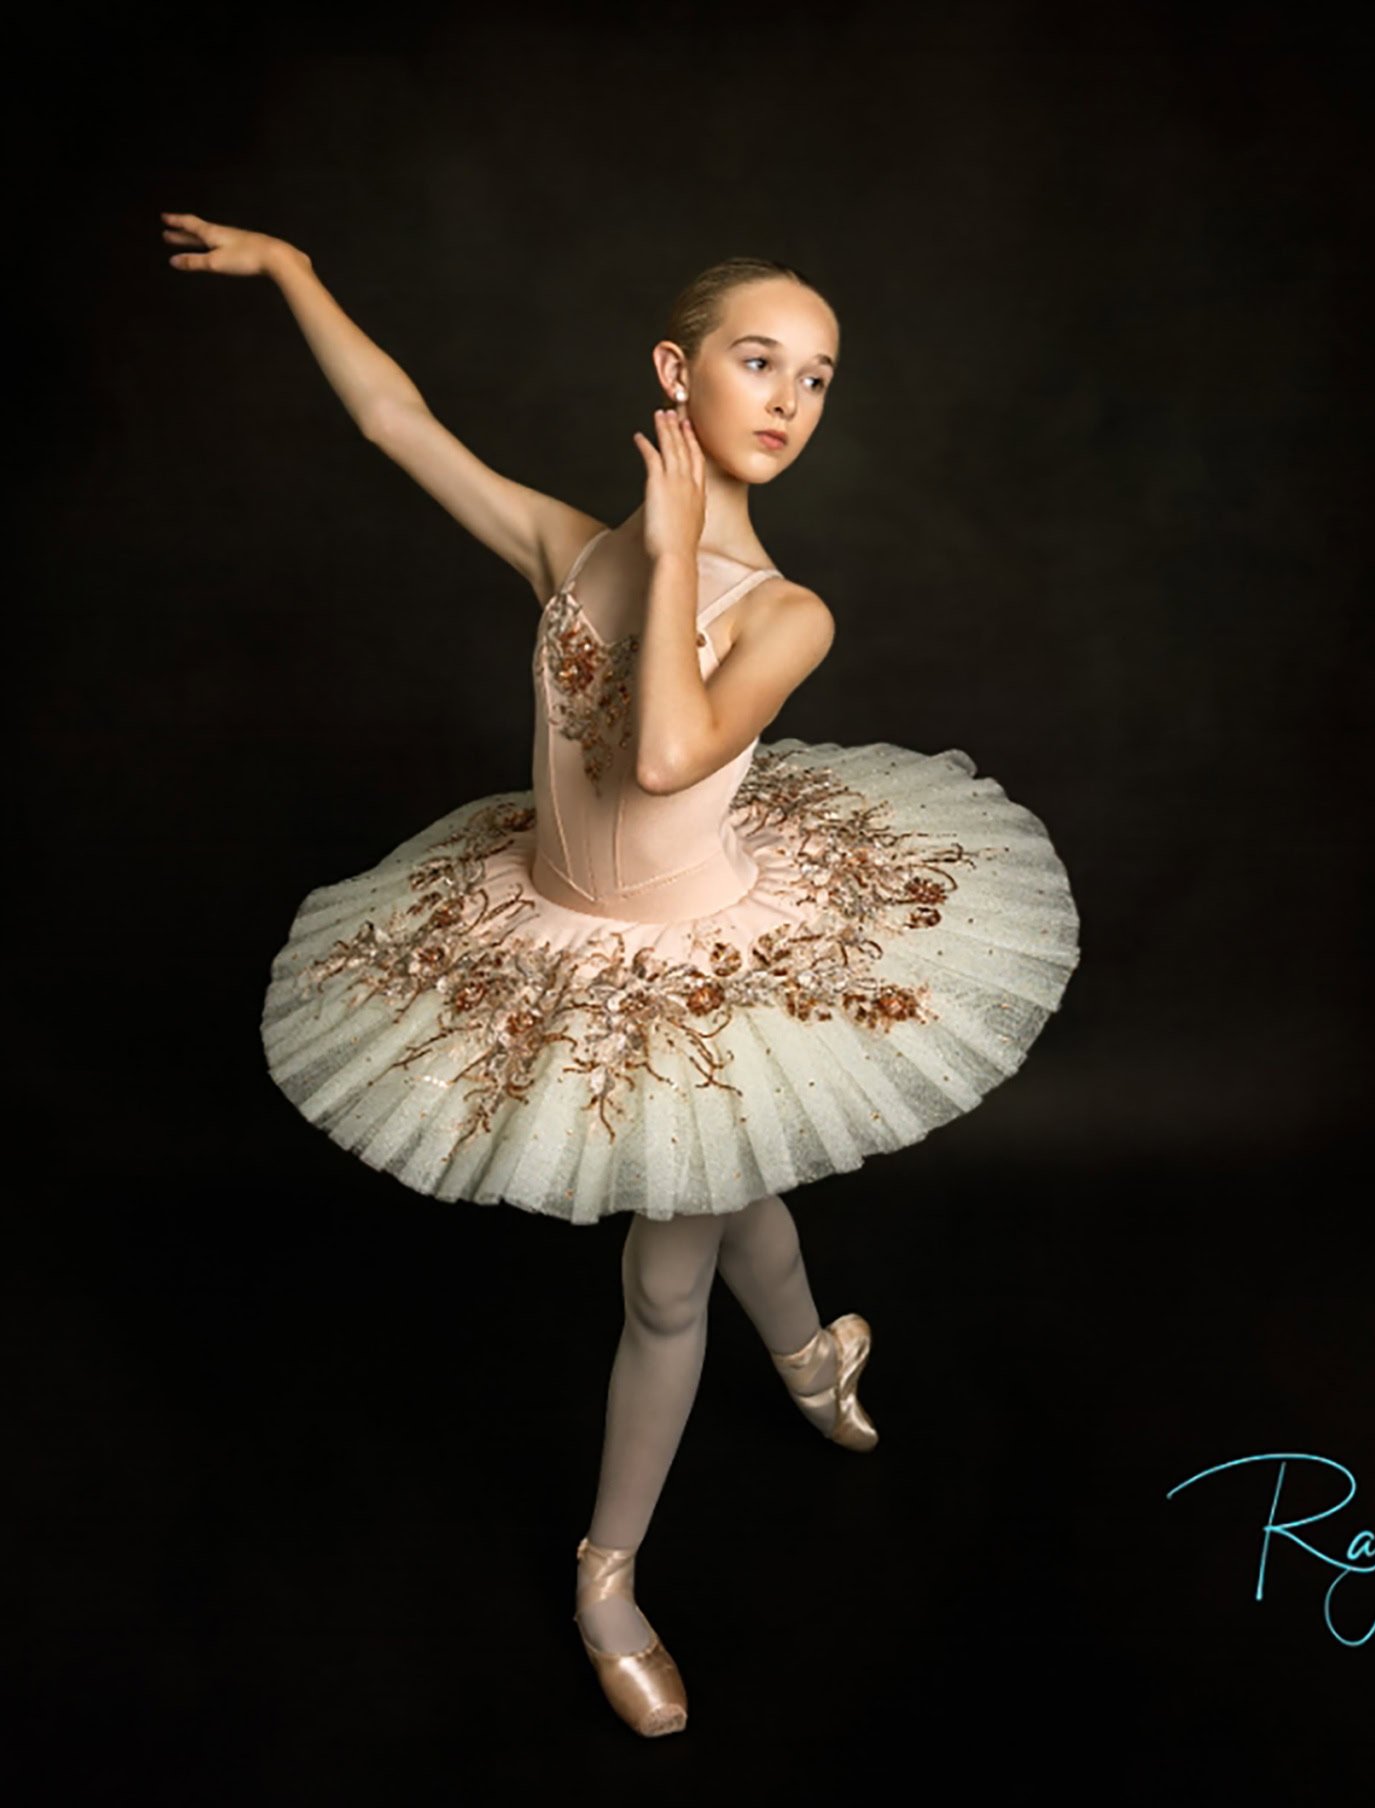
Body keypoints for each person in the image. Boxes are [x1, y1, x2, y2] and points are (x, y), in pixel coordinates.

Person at [162, 212, 1080, 1737]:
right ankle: (812, 1354)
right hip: (552, 922)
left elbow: (662, 752)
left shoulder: (789, 615)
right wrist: (298, 272)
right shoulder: (569, 543)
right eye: (758, 360)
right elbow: (401, 424)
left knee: (667, 1275)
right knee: (733, 1184)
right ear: (677, 371)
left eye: (820, 378)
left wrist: (669, 557)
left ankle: (605, 1577)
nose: (791, 399)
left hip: (702, 958)